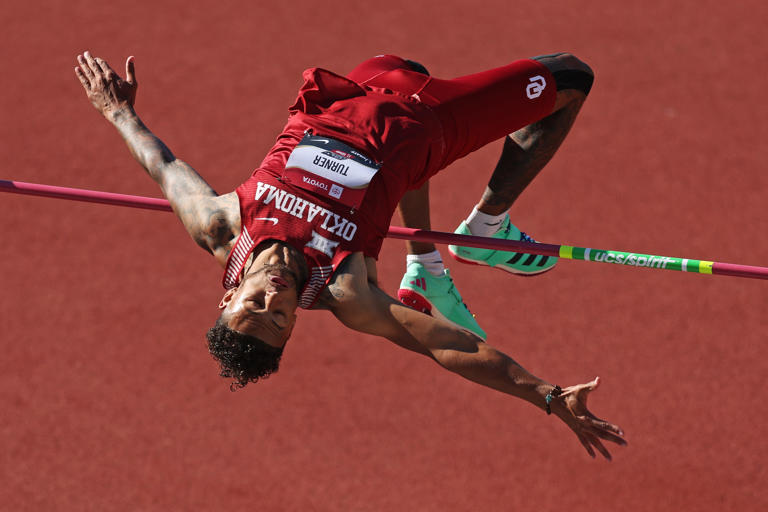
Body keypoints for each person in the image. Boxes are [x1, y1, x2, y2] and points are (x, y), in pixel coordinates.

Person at [75, 50, 626, 459]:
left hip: (354, 86)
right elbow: (450, 346)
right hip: (425, 121)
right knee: (572, 77)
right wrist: (546, 395)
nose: (274, 298)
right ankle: (488, 221)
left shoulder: (221, 226)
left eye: (254, 306)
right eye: (281, 319)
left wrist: (117, 112)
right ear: (294, 325)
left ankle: (427, 263)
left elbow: (165, 168)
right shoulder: (345, 289)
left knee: (400, 65)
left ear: (228, 294)